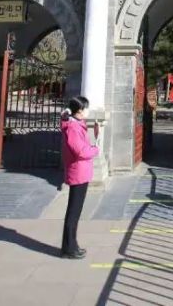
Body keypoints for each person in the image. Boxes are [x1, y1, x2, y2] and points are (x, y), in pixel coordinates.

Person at [60, 96, 99, 259]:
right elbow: (80, 151)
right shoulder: (73, 128)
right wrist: (95, 149)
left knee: (76, 211)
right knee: (74, 211)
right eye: (86, 108)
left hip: (81, 171)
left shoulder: (76, 124)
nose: (87, 111)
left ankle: (72, 244)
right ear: (79, 110)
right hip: (78, 171)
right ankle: (69, 248)